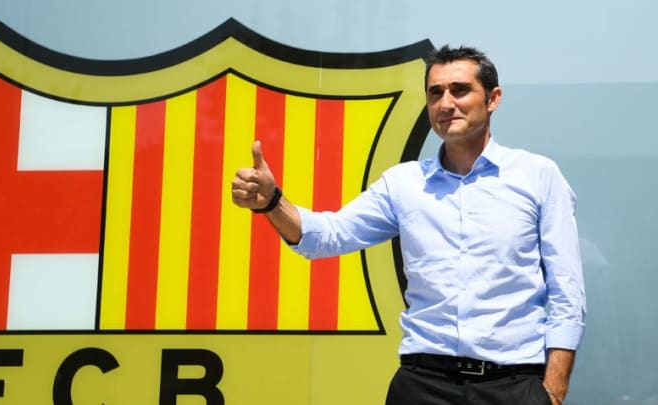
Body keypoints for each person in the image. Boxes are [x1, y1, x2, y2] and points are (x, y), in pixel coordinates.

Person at [231, 45, 586, 405]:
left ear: (493, 99)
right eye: (435, 93)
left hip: (512, 386)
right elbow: (327, 236)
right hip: (423, 386)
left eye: (460, 90)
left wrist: (553, 390)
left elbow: (567, 292)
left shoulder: (538, 176)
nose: (446, 104)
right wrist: (273, 203)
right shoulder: (403, 184)